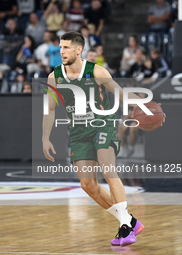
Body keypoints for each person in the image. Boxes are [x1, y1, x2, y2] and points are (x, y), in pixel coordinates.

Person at [42, 31, 160, 246]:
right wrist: (44, 138)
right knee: (88, 185)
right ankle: (129, 221)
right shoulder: (54, 77)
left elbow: (121, 93)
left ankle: (126, 228)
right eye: (60, 47)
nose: (61, 51)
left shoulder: (96, 71)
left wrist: (144, 105)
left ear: (79, 50)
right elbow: (49, 110)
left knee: (108, 169)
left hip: (102, 124)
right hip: (78, 132)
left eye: (66, 47)